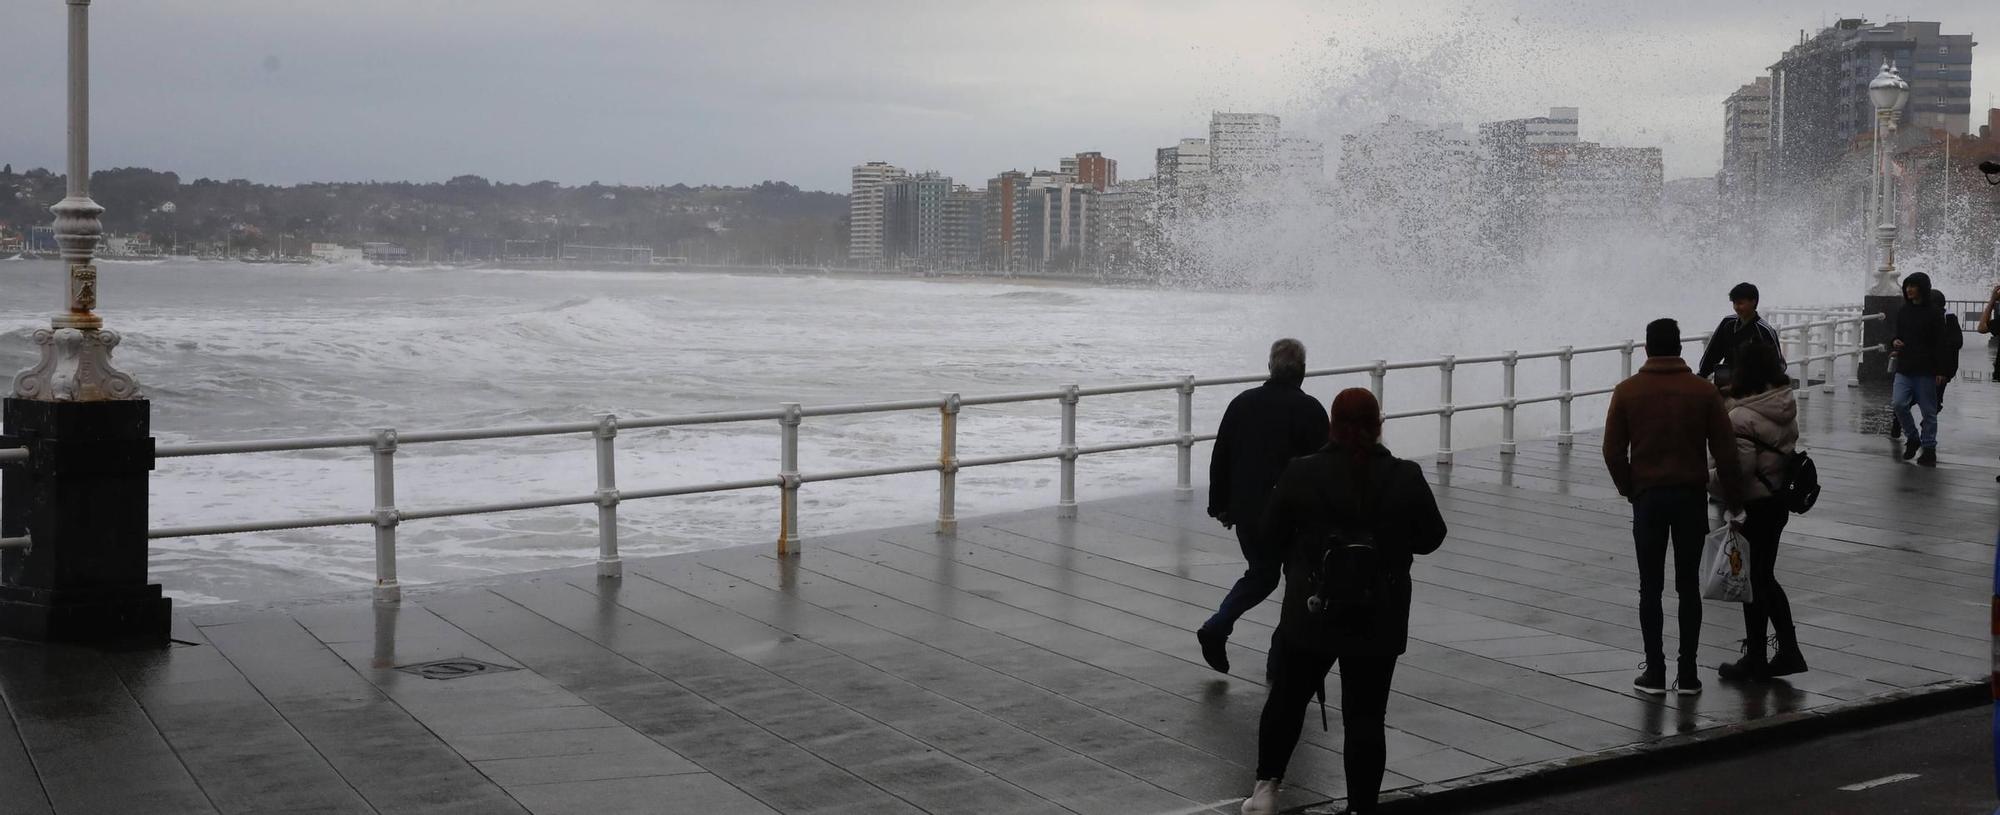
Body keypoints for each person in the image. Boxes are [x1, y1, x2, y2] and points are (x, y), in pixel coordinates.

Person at [1240, 388, 1445, 815]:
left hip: (1312, 610)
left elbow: (1268, 536)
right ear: (1378, 425)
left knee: (1288, 699)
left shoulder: (1302, 473)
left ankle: (1266, 791)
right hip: (1379, 613)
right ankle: (1360, 808)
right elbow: (1432, 538)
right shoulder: (1404, 475)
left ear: (1332, 425)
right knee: (1367, 715)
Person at [1604, 318, 1745, 697]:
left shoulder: (1627, 391)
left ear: (1647, 349)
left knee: (1649, 589)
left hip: (1649, 499)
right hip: (1689, 499)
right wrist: (1733, 499)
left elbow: (1612, 451)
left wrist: (1630, 487)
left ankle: (1654, 670)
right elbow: (1726, 452)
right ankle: (1688, 673)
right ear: (1680, 347)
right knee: (1688, 588)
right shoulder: (1702, 392)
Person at [1201, 339, 1330, 675]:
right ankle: (1279, 659)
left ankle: (1219, 624)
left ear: (1270, 367)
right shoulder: (1311, 411)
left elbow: (1221, 457)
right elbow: (1324, 469)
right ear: (1302, 371)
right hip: (1295, 518)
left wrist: (1221, 506)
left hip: (1248, 512)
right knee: (1298, 582)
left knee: (1260, 574)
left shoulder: (1242, 403)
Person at [1709, 341, 1808, 681]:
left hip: (1754, 505)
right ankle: (1784, 651)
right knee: (1764, 577)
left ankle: (1758, 656)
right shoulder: (1782, 402)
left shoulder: (1742, 417)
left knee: (1756, 581)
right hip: (1777, 501)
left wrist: (1700, 478)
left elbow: (1737, 471)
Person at [1889, 273, 1948, 467]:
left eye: (1913, 286)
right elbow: (1897, 335)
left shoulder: (1934, 313)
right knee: (1898, 404)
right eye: (1907, 286)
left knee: (1928, 412)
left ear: (1923, 288)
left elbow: (1941, 343)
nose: (1909, 290)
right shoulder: (1903, 311)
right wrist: (1894, 342)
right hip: (1905, 367)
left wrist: (1941, 370)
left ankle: (1929, 449)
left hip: (1926, 370)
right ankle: (1913, 437)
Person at [1695, 282, 1784, 387]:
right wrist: (1701, 376)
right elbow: (1713, 353)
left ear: (1753, 302)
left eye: (1740, 303)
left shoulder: (1764, 330)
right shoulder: (1727, 323)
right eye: (1734, 303)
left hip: (1752, 389)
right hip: (1726, 383)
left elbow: (1779, 364)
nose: (1736, 307)